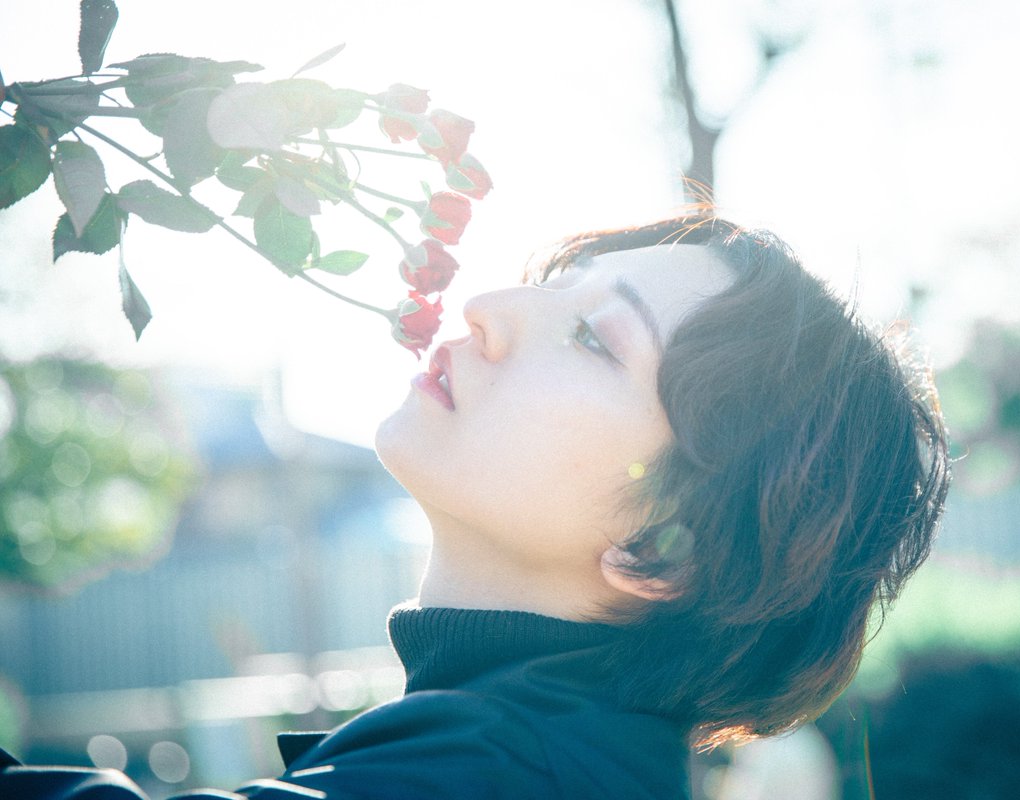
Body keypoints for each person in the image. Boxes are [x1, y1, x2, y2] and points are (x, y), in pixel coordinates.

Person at [0, 212, 950, 799]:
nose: (489, 307)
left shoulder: (500, 773)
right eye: (551, 289)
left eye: (593, 337)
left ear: (660, 549)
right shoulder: (557, 754)